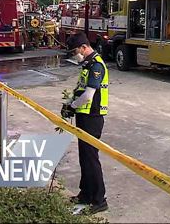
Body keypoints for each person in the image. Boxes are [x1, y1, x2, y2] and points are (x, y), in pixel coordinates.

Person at [62, 32, 109, 214]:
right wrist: (69, 105)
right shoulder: (87, 65)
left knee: (91, 159)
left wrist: (72, 106)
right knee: (84, 157)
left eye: (75, 51)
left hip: (93, 117)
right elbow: (81, 90)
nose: (75, 55)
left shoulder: (96, 65)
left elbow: (89, 95)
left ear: (84, 47)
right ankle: (86, 194)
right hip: (84, 116)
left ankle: (99, 199)